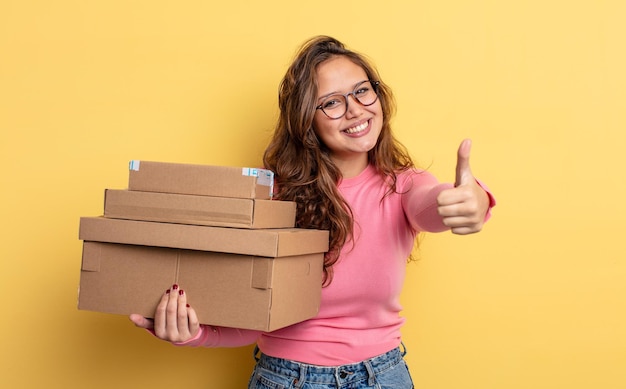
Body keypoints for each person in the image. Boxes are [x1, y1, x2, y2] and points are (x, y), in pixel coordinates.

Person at [130, 35, 496, 388]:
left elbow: (431, 204)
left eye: (362, 90)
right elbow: (259, 318)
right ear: (307, 119)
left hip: (383, 377)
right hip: (287, 378)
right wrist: (194, 334)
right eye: (332, 102)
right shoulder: (274, 200)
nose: (355, 109)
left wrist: (468, 201)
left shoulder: (404, 185)